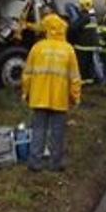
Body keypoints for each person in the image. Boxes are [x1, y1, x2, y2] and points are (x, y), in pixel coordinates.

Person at [21, 13, 82, 172]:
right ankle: (56, 163)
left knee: (38, 129)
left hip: (38, 97)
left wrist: (26, 93)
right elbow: (74, 77)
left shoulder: (37, 48)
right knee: (58, 132)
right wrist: (75, 97)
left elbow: (27, 74)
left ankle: (35, 163)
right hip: (59, 99)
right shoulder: (68, 50)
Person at [69, 0, 103, 86]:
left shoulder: (84, 17)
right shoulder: (93, 17)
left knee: (82, 65)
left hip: (83, 46)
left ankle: (83, 81)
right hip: (91, 45)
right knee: (90, 64)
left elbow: (73, 28)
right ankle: (90, 80)